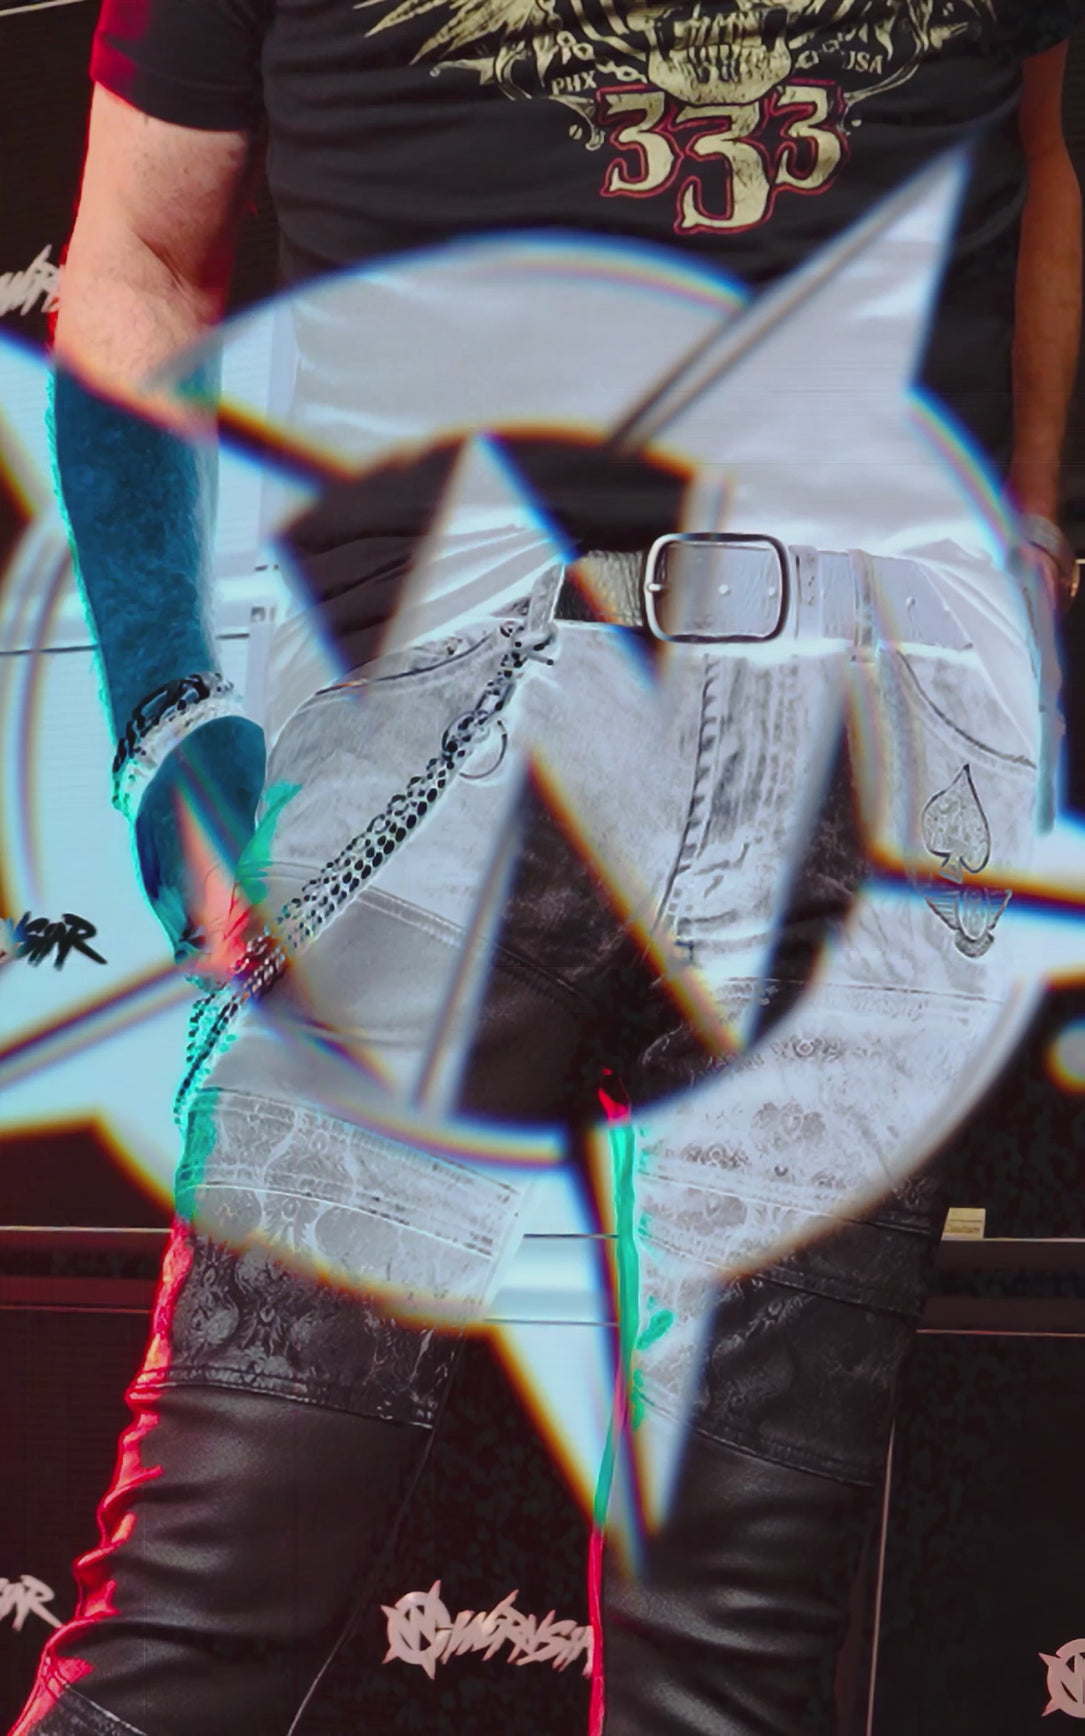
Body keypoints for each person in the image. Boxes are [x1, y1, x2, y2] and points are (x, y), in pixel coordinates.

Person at [9, 3, 1084, 1735]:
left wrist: (1025, 537)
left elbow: (1039, 150)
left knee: (728, 1674)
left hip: (866, 754)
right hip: (433, 728)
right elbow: (137, 255)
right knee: (203, 1612)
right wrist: (159, 710)